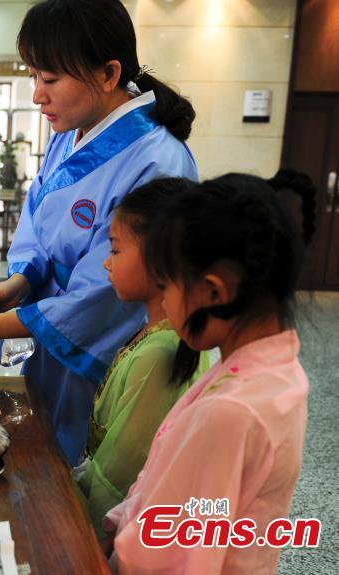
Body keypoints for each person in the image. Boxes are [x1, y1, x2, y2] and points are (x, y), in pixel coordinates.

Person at [0, 0, 198, 465]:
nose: (37, 95)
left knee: (93, 473)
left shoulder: (158, 162)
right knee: (47, 457)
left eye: (50, 79)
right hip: (53, 332)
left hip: (105, 347)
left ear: (108, 73)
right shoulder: (70, 131)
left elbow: (104, 295)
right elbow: (38, 222)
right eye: (34, 76)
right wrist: (21, 281)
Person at [105, 170, 315, 574]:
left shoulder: (231, 411)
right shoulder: (272, 370)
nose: (163, 302)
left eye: (166, 286)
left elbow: (171, 557)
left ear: (215, 293)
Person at [75, 178, 209, 538]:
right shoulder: (154, 334)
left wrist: (79, 532)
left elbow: (117, 476)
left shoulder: (161, 355)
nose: (106, 263)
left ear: (159, 259)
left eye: (116, 250)